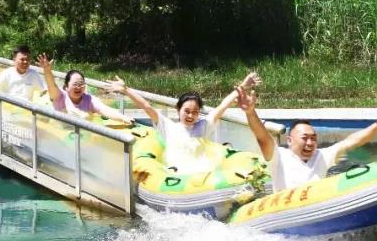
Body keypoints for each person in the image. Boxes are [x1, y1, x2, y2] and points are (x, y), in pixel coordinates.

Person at [238, 87, 377, 192]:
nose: (310, 143)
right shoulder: (279, 156)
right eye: (305, 138)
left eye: (313, 138)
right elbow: (262, 137)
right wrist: (250, 112)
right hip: (284, 208)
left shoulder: (322, 156)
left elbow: (353, 141)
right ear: (290, 140)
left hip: (315, 203)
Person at [107, 72, 261, 171]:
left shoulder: (203, 126)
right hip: (176, 173)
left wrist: (243, 86)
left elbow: (222, 106)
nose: (190, 115)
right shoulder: (168, 126)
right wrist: (126, 90)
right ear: (178, 109)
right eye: (187, 111)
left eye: (195, 112)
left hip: (199, 174)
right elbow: (147, 107)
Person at [35, 54, 134, 123]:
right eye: (75, 84)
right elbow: (51, 85)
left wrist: (124, 118)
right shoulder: (60, 96)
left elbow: (105, 110)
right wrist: (47, 70)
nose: (78, 87)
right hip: (61, 132)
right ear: (66, 86)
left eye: (81, 84)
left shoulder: (89, 100)